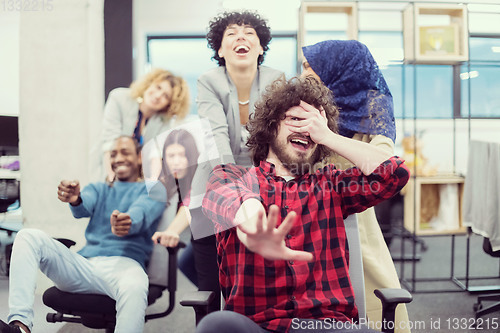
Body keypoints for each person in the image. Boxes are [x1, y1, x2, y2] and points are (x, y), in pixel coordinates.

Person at [197, 77, 410, 333]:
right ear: (271, 126)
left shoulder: (331, 185)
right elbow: (228, 198)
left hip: (328, 326)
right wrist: (253, 223)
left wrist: (329, 136)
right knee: (217, 324)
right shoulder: (233, 177)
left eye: (314, 123)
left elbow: (394, 174)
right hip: (256, 325)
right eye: (295, 119)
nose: (306, 129)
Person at [0, 136, 165, 333]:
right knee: (28, 236)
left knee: (136, 286)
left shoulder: (153, 190)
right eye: (113, 154)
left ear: (139, 158)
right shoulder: (100, 188)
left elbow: (141, 212)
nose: (118, 158)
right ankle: (20, 327)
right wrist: (75, 199)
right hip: (86, 264)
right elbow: (83, 204)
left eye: (125, 152)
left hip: (125, 265)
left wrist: (128, 220)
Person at [301, 39, 410, 332]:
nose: (305, 73)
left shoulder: (372, 103)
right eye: (303, 65)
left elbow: (385, 164)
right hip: (306, 217)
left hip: (353, 218)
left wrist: (327, 136)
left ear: (340, 68)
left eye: (314, 66)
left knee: (371, 294)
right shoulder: (306, 103)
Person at [189, 10, 284, 312]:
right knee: (211, 285)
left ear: (260, 48)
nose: (241, 37)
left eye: (249, 33)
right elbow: (215, 133)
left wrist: (252, 192)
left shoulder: (276, 79)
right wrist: (232, 187)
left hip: (262, 185)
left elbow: (274, 137)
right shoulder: (208, 80)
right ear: (219, 49)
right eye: (231, 33)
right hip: (212, 185)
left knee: (256, 277)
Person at [100, 68, 190, 182]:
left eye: (165, 96)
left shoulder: (164, 121)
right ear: (149, 83)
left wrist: (153, 180)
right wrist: (111, 176)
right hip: (108, 168)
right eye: (158, 87)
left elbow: (155, 152)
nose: (158, 96)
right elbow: (109, 142)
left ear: (170, 104)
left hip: (137, 178)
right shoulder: (118, 98)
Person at [150, 129, 200, 286]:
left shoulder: (200, 176)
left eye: (182, 155)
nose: (176, 162)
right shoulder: (166, 183)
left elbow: (190, 202)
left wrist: (171, 230)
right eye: (171, 156)